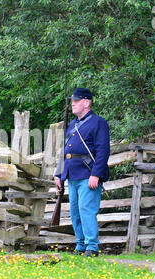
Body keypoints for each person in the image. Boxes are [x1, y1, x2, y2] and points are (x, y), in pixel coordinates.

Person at [54, 88, 110, 257]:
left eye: (76, 101)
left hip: (88, 173)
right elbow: (65, 151)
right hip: (72, 173)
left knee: (86, 210)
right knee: (75, 212)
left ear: (87, 102)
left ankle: (92, 246)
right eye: (72, 100)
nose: (72, 103)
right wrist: (58, 174)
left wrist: (96, 173)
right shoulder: (72, 124)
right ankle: (80, 245)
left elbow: (103, 150)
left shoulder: (98, 122)